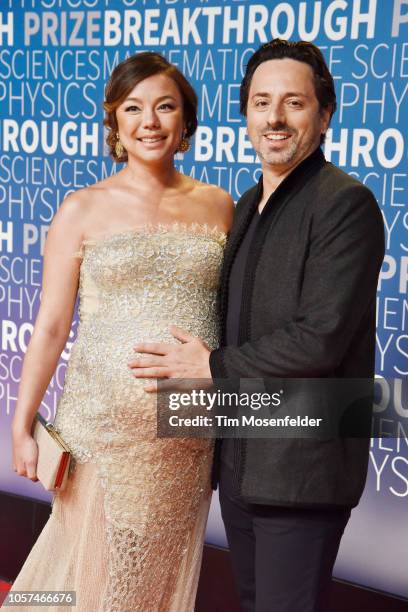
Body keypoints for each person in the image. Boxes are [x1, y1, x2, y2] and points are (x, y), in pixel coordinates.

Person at [129, 40, 385, 612]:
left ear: (324, 114)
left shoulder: (346, 204)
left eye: (293, 102)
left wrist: (209, 367)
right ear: (244, 114)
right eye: (260, 102)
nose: (274, 118)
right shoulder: (245, 205)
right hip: (241, 464)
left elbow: (321, 336)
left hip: (301, 470)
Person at [10, 51, 233, 611]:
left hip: (186, 437)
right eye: (134, 108)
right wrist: (21, 426)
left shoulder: (220, 205)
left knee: (155, 583)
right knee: (92, 581)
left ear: (186, 122)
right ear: (114, 123)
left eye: (165, 107)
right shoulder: (81, 208)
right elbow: (52, 327)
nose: (150, 121)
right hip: (100, 435)